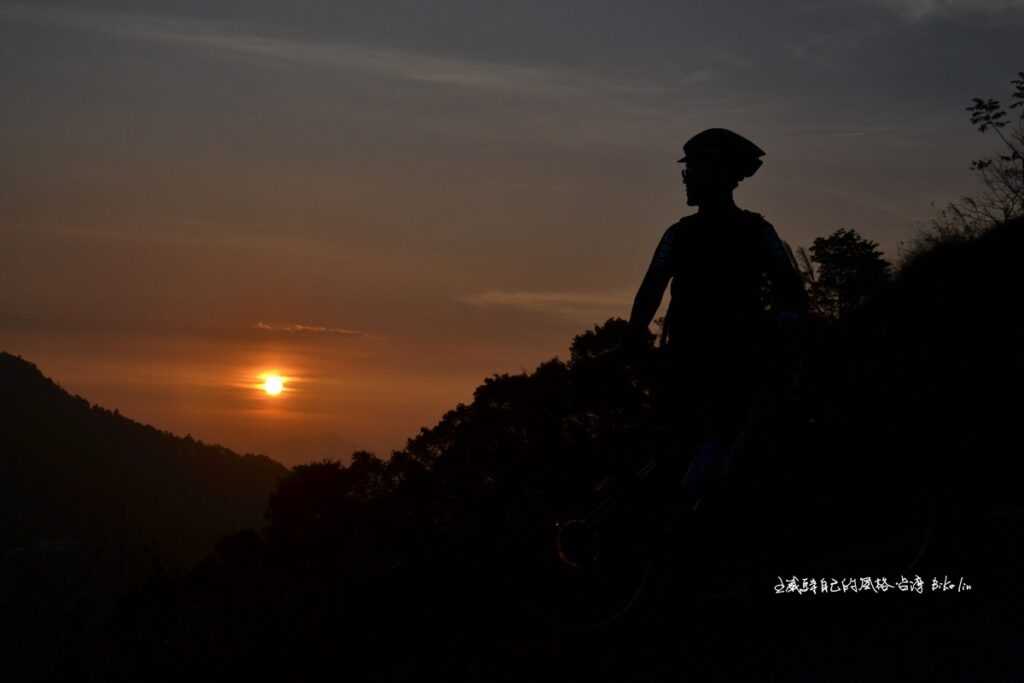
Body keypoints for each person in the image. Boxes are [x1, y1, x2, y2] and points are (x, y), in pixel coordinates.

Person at [626, 128, 808, 504]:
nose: (686, 177)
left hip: (729, 371)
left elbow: (791, 297)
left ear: (721, 173)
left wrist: (783, 332)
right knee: (674, 457)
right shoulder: (740, 233)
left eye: (693, 168)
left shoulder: (698, 235)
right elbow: (648, 296)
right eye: (687, 169)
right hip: (700, 370)